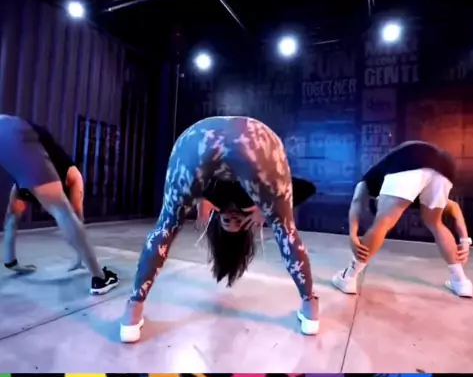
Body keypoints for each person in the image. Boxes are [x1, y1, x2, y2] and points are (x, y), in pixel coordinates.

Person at [119, 116, 319, 343]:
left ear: (217, 222)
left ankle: (134, 307)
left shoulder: (214, 198)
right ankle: (310, 303)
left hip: (198, 140)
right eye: (237, 223)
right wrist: (266, 209)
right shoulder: (250, 200)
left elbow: (201, 188)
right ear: (246, 229)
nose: (232, 218)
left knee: (167, 225)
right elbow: (306, 189)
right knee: (286, 229)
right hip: (252, 141)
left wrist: (202, 200)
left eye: (226, 223)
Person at [332, 140, 473, 298]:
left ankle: (349, 277)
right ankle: (461, 282)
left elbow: (357, 201)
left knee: (383, 222)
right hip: (444, 167)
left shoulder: (370, 181)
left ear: (377, 198)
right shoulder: (413, 195)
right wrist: (464, 240)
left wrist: (352, 235)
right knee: (435, 222)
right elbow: (454, 207)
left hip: (412, 156)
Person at [0, 116, 118, 294]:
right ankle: (100, 278)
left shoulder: (27, 184)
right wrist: (80, 257)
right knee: (64, 213)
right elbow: (77, 218)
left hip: (9, 137)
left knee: (12, 216)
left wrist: (13, 264)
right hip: (19, 135)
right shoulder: (73, 175)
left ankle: (11, 261)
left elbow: (11, 221)